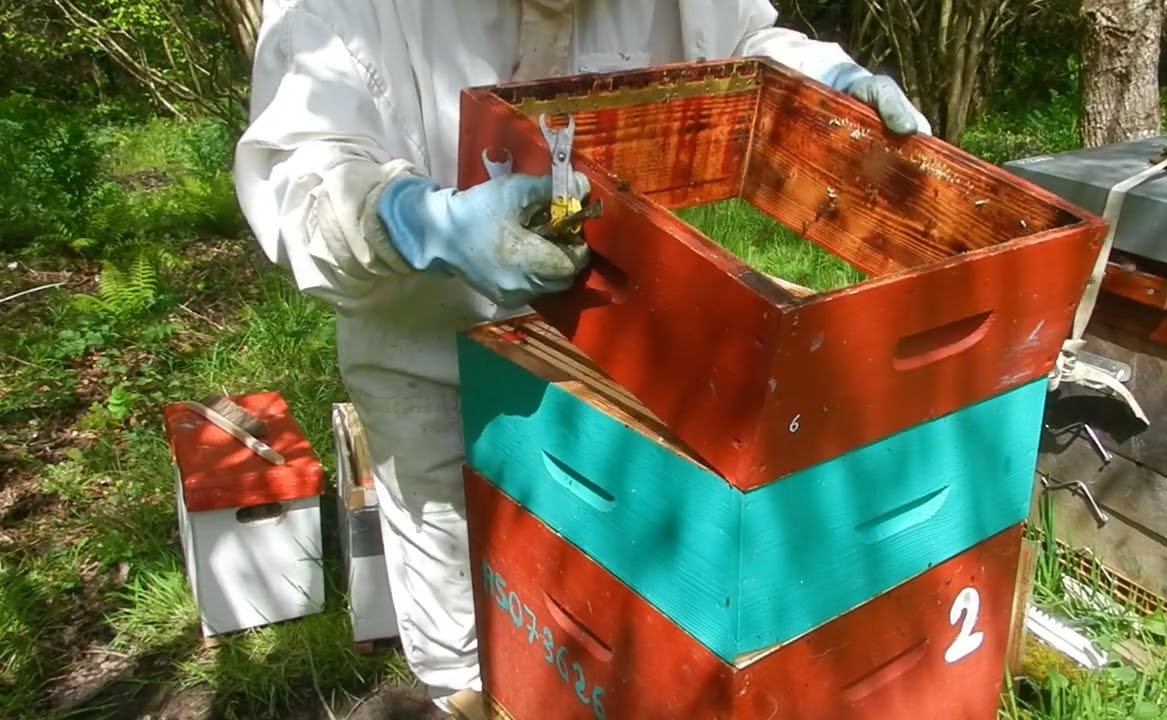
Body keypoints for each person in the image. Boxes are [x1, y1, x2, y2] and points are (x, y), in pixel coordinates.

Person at [233, 1, 930, 716]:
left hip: (616, 352)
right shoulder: (342, 12)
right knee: (470, 638)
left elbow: (743, 42)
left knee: (624, 625)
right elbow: (300, 176)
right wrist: (418, 222)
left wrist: (822, 80)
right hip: (429, 355)